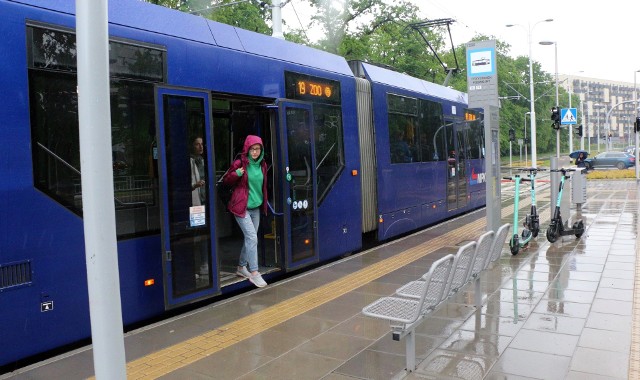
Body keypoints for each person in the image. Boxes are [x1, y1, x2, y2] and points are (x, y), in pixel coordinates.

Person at [223, 135, 268, 288]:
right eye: (252, 149)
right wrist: (238, 174)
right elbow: (226, 180)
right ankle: (254, 273)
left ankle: (241, 267)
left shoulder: (262, 165)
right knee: (252, 237)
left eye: (258, 149)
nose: (255, 152)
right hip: (241, 207)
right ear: (247, 149)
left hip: (255, 207)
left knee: (251, 238)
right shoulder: (240, 163)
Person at [190, 136, 208, 276]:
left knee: (204, 234)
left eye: (202, 144)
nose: (201, 147)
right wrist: (195, 185)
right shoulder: (190, 162)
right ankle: (196, 267)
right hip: (196, 205)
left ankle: (204, 264)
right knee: (197, 236)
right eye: (197, 144)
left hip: (205, 203)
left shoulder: (204, 161)